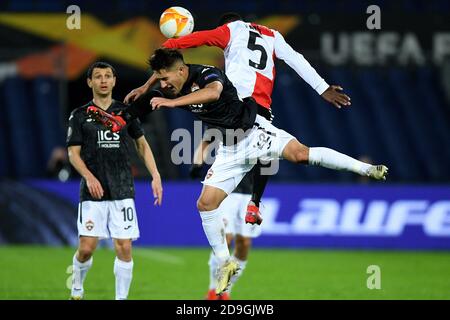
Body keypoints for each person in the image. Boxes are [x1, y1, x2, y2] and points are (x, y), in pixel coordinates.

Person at [88, 49, 387, 296]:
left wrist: (171, 101)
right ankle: (224, 263)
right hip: (230, 151)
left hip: (254, 131)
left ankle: (366, 168)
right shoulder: (168, 83)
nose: (163, 85)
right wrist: (119, 119)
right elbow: (141, 108)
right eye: (161, 80)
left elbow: (214, 92)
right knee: (204, 204)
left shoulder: (205, 74)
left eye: (166, 79)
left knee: (300, 155)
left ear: (181, 71)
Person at [124, 12, 351, 227]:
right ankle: (255, 202)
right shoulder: (272, 35)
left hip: (232, 102)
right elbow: (296, 59)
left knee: (215, 128)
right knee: (266, 148)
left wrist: (168, 47)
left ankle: (201, 164)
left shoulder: (229, 30)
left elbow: (195, 39)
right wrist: (322, 88)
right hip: (260, 103)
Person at [66, 61, 163, 300]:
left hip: (122, 188)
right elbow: (73, 154)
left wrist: (156, 175)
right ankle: (77, 287)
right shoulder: (79, 115)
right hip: (93, 192)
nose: (103, 80)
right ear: (90, 82)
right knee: (87, 249)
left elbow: (141, 144)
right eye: (97, 76)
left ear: (114, 81)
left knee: (125, 247)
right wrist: (89, 177)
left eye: (108, 76)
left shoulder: (125, 112)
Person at [191, 134, 260, 300]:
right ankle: (213, 289)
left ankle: (225, 289)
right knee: (226, 238)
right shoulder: (228, 113)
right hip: (227, 189)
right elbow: (208, 139)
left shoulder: (259, 121)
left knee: (244, 243)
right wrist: (197, 163)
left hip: (249, 190)